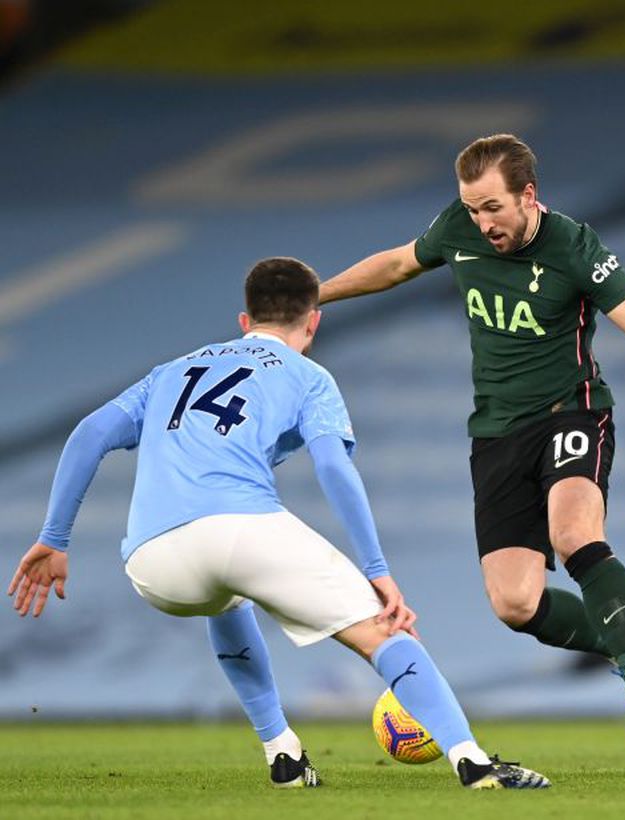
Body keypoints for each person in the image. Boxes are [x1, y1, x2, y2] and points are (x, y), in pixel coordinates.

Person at [7, 257, 549, 791]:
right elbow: (334, 467)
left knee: (227, 597)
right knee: (383, 631)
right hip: (242, 527)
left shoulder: (171, 372)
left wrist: (54, 538)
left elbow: (88, 434)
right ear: (313, 321)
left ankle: (282, 753)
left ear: (245, 321)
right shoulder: (308, 376)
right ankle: (473, 763)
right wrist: (377, 570)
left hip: (153, 561)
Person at [318, 134, 625, 751]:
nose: (481, 222)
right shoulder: (457, 231)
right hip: (496, 432)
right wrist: (319, 295)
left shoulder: (575, 248)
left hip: (571, 413)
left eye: (492, 207)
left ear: (528, 195)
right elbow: (395, 265)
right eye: (471, 208)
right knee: (515, 603)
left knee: (574, 534)